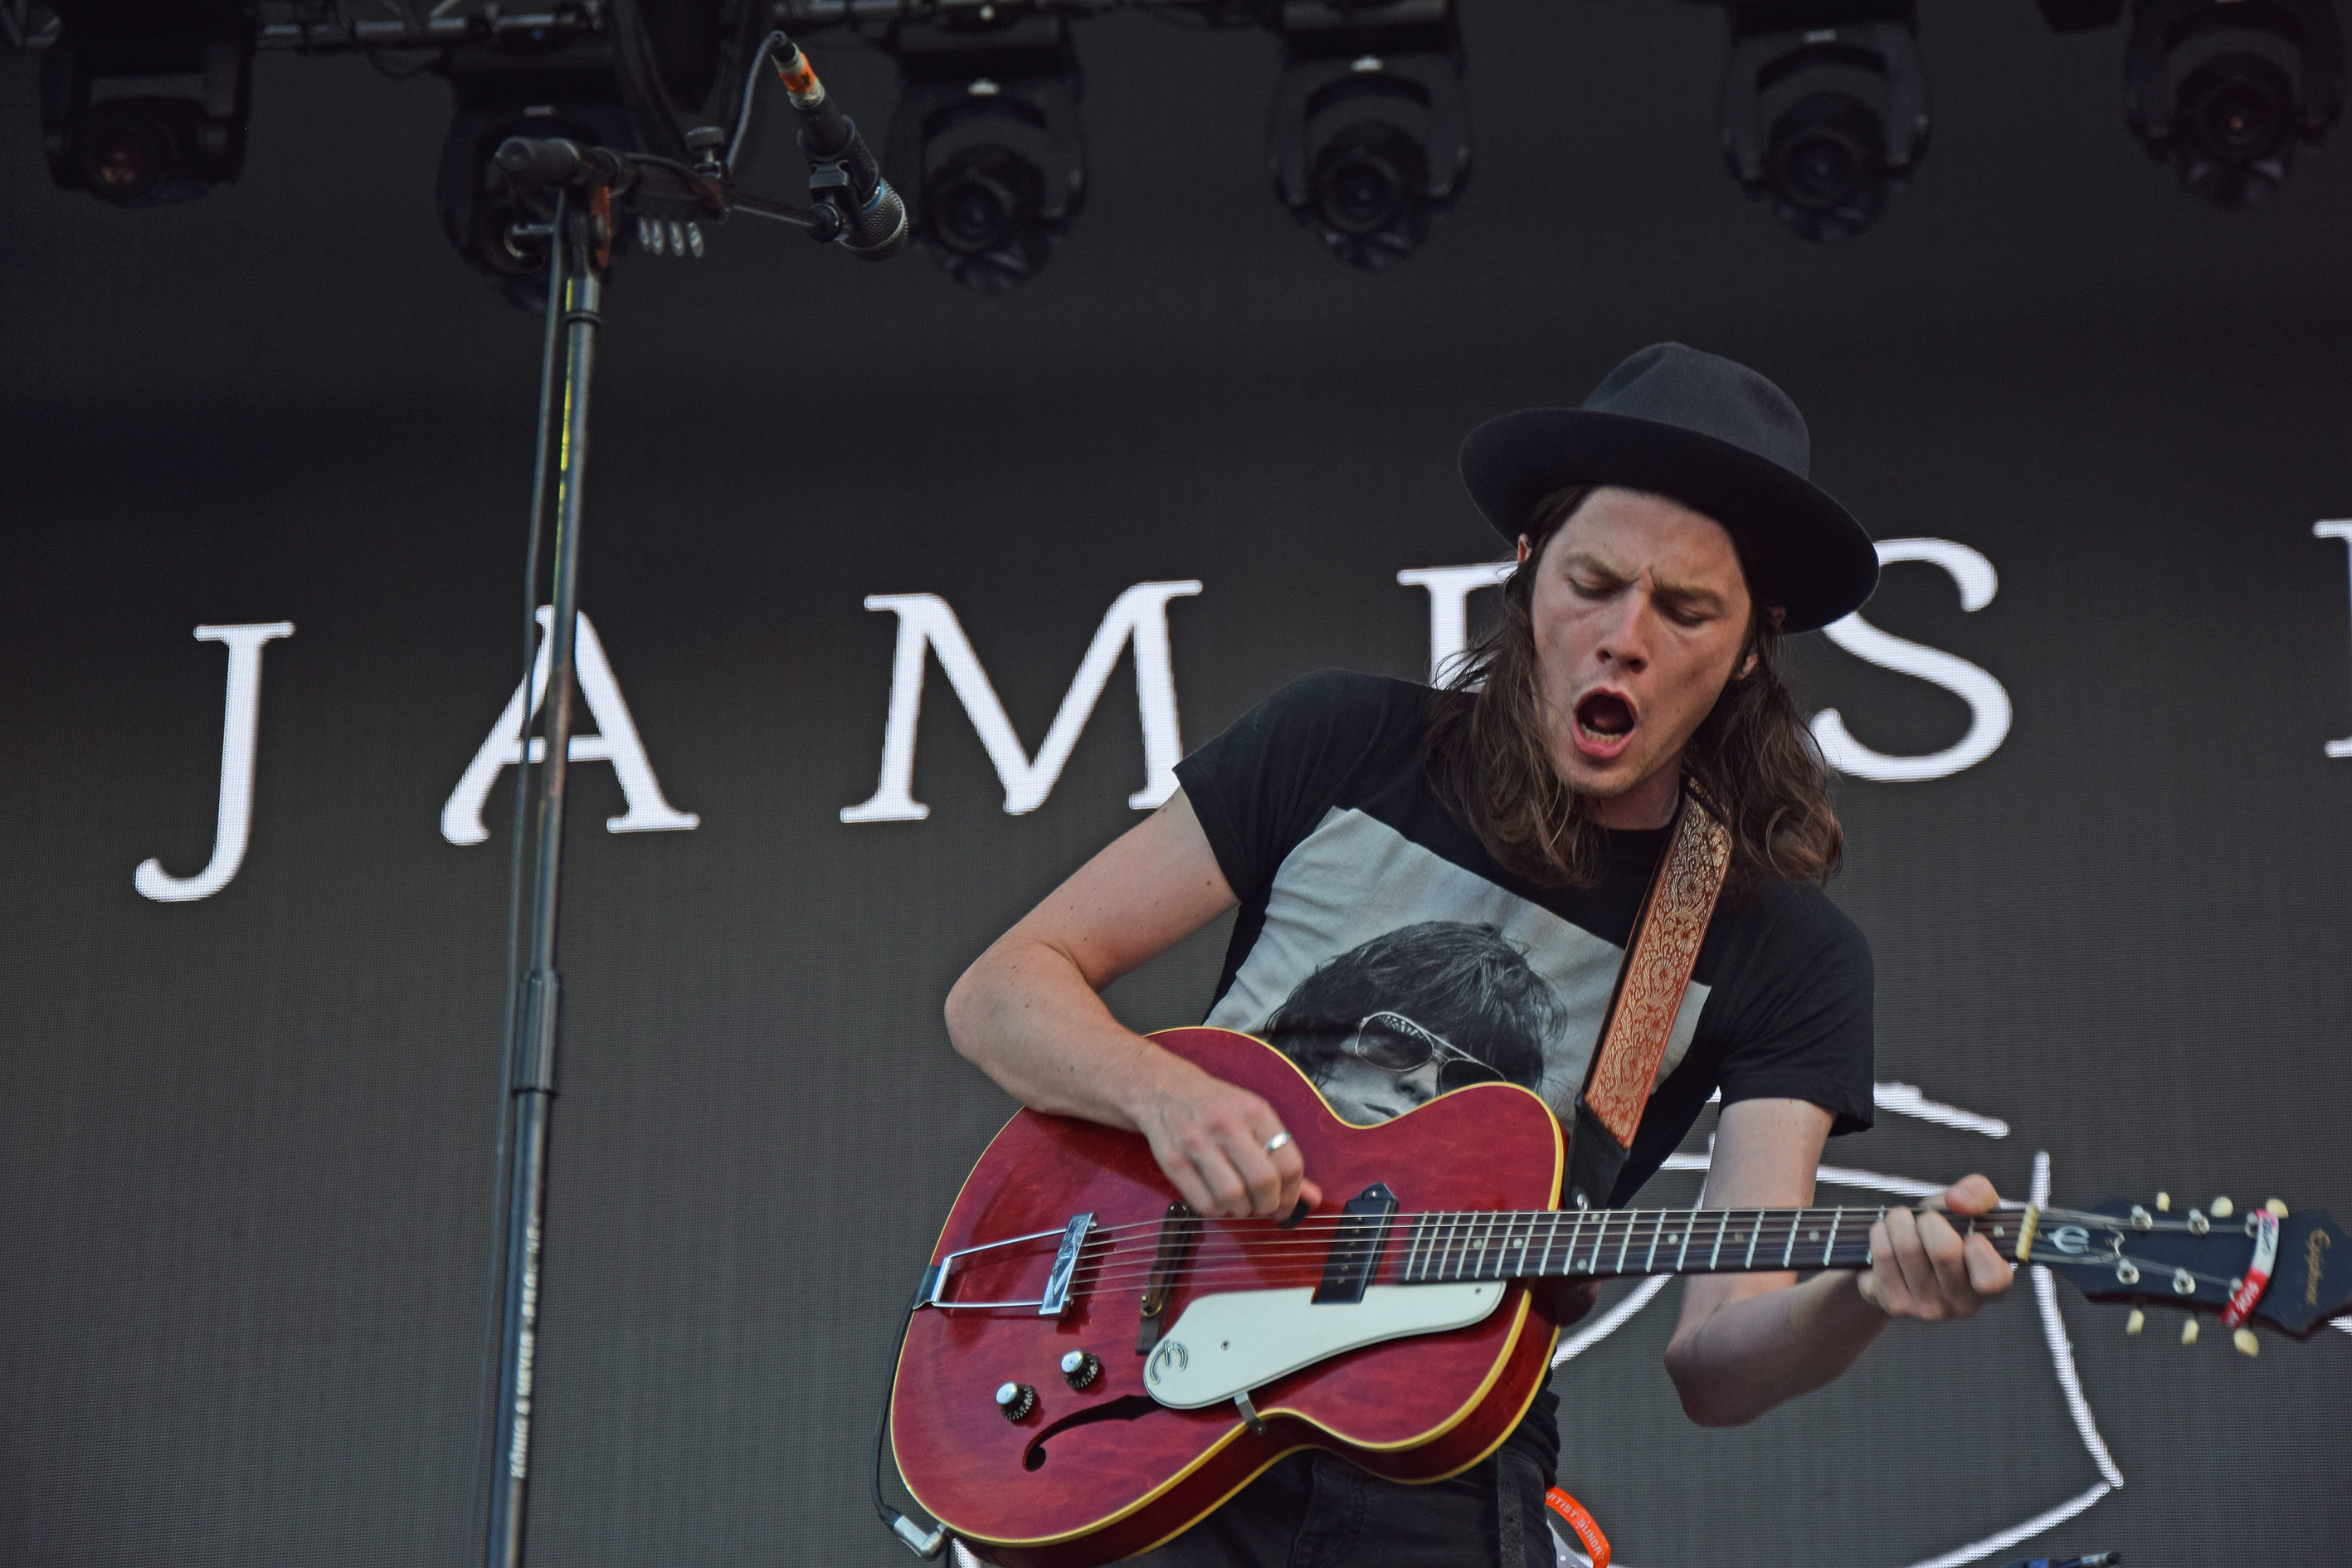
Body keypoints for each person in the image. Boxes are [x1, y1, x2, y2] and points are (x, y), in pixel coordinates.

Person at [942, 343, 2015, 1566]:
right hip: (1139, 1403)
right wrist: (1167, 1097)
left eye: (1686, 611)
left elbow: (1717, 1364)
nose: (1623, 638)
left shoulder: (1777, 946)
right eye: (1592, 583)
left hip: (1430, 1476)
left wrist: (1869, 1292)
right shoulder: (1341, 742)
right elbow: (1000, 992)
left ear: (1751, 645)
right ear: (1526, 565)